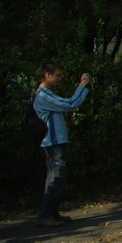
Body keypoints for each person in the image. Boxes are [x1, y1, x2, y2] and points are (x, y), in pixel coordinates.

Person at [33, 62, 91, 227]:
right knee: (55, 177)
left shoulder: (46, 94)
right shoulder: (43, 95)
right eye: (57, 75)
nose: (59, 78)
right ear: (47, 75)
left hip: (56, 141)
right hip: (53, 141)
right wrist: (82, 85)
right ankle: (45, 215)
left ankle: (52, 212)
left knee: (57, 177)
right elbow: (70, 103)